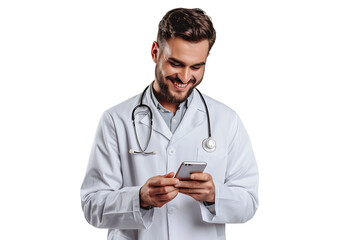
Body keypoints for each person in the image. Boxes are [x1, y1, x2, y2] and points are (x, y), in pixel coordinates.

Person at [81, 7, 259, 240]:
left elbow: (249, 202)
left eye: (196, 67)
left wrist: (214, 195)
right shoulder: (116, 120)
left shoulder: (226, 120)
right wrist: (140, 198)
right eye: (176, 63)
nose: (185, 78)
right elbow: (92, 206)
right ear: (155, 52)